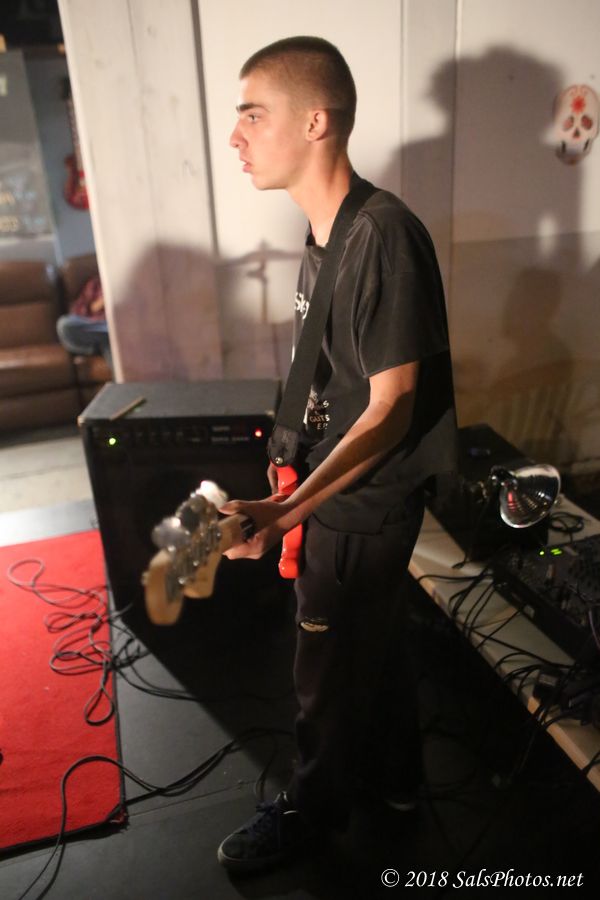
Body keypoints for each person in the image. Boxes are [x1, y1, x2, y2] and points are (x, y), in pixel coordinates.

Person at [218, 35, 457, 874]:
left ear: (315, 121)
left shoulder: (383, 235)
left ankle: (311, 815)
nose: (237, 136)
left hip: (362, 502)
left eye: (254, 115)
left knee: (321, 667)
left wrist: (288, 509)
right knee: (371, 650)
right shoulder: (332, 230)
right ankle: (395, 782)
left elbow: (391, 410)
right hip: (332, 487)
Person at [56, 274, 113, 371]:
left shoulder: (129, 283)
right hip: (95, 329)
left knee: (109, 343)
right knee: (64, 325)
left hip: (119, 326)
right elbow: (78, 312)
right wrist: (104, 300)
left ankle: (109, 336)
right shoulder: (94, 284)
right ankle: (109, 335)